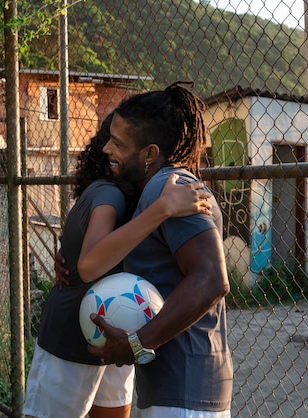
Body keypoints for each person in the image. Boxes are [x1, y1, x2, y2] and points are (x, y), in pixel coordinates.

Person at [23, 112, 212, 418]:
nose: (108, 149)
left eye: (118, 142)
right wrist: (164, 209)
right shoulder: (110, 193)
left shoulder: (138, 195)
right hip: (72, 336)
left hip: (118, 331)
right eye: (109, 140)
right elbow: (88, 262)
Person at [81, 82, 233, 417]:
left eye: (118, 143)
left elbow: (211, 279)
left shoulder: (174, 190)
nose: (106, 148)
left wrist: (137, 342)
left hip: (184, 392)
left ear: (149, 153)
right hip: (170, 390)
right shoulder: (154, 195)